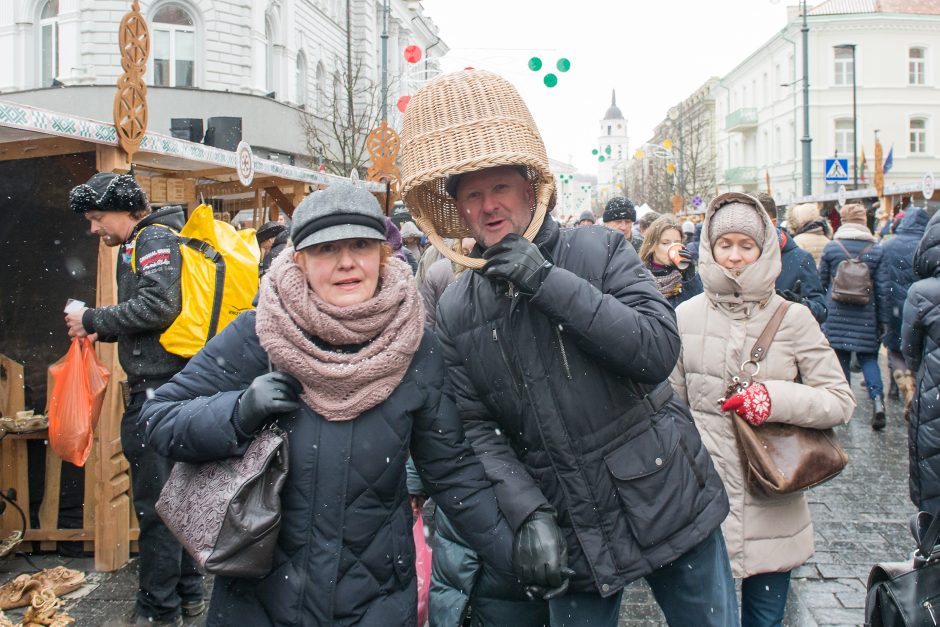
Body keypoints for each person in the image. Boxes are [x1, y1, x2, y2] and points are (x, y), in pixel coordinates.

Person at [400, 69, 735, 627]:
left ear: (531, 189)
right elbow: (476, 425)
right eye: (473, 196)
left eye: (500, 188)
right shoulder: (457, 307)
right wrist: (527, 511)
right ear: (459, 211)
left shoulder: (598, 249)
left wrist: (545, 280)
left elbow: (654, 350)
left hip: (664, 493)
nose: (489, 207)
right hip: (568, 520)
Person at [139, 183, 519, 626]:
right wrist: (239, 410)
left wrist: (514, 555)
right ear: (299, 260)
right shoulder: (258, 333)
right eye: (325, 249)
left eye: (360, 245)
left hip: (374, 602)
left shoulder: (416, 349)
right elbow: (159, 419)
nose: (345, 263)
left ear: (381, 253)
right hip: (260, 601)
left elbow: (452, 472)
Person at [670, 192, 855, 627]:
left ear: (764, 248)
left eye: (746, 245)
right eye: (725, 245)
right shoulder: (685, 317)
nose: (735, 257)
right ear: (711, 249)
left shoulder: (793, 319)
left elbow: (839, 401)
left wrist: (773, 399)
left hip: (772, 497)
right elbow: (671, 406)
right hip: (704, 500)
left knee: (765, 620)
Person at [65, 173, 203, 626]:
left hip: (158, 394)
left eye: (97, 217)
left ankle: (157, 612)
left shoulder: (151, 240)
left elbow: (160, 306)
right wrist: (99, 325)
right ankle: (188, 597)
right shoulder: (151, 239)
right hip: (174, 391)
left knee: (159, 507)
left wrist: (92, 316)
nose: (94, 228)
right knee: (179, 502)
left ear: (124, 209)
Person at [819, 203, 890, 430]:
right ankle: (877, 400)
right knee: (869, 358)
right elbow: (882, 288)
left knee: (840, 359)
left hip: (836, 312)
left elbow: (821, 283)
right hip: (866, 313)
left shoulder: (832, 248)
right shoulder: (877, 250)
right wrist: (884, 320)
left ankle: (845, 405)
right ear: (864, 222)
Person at [902, 210, 940, 512]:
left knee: (932, 465)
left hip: (934, 395)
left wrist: (915, 372)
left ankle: (933, 539)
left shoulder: (923, 292)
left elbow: (910, 348)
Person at [879, 206, 929, 420]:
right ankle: (917, 389)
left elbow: (882, 281)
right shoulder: (926, 244)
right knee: (920, 350)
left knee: (895, 349)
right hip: (924, 306)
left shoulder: (888, 245)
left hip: (895, 306)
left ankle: (901, 386)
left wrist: (883, 310)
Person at [756, 192, 827, 324]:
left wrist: (799, 304)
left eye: (753, 223)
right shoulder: (738, 257)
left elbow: (821, 310)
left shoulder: (800, 259)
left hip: (784, 340)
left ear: (772, 223)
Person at [637, 214, 702, 308]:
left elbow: (698, 308)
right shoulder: (639, 277)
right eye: (665, 243)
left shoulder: (685, 277)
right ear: (652, 245)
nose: (672, 247)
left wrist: (689, 278)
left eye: (677, 242)